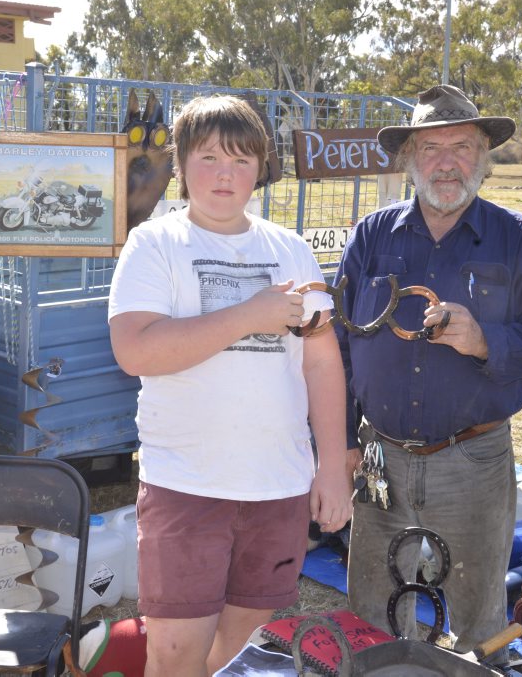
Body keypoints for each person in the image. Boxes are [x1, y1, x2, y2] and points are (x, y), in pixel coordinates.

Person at [108, 94, 353, 677]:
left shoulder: (290, 249)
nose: (225, 174)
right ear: (180, 163)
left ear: (261, 169)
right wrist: (248, 315)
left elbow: (320, 363)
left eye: (242, 160)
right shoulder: (154, 244)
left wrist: (331, 469)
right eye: (209, 156)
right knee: (173, 655)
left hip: (278, 486)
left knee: (244, 652)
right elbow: (135, 350)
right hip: (187, 485)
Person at [337, 84, 522, 663]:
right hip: (380, 459)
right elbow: (340, 346)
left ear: (484, 158)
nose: (446, 162)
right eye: (431, 147)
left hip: (474, 461)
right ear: (410, 160)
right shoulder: (372, 237)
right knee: (373, 611)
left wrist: (486, 340)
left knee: (475, 618)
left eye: (462, 146)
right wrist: (344, 441)